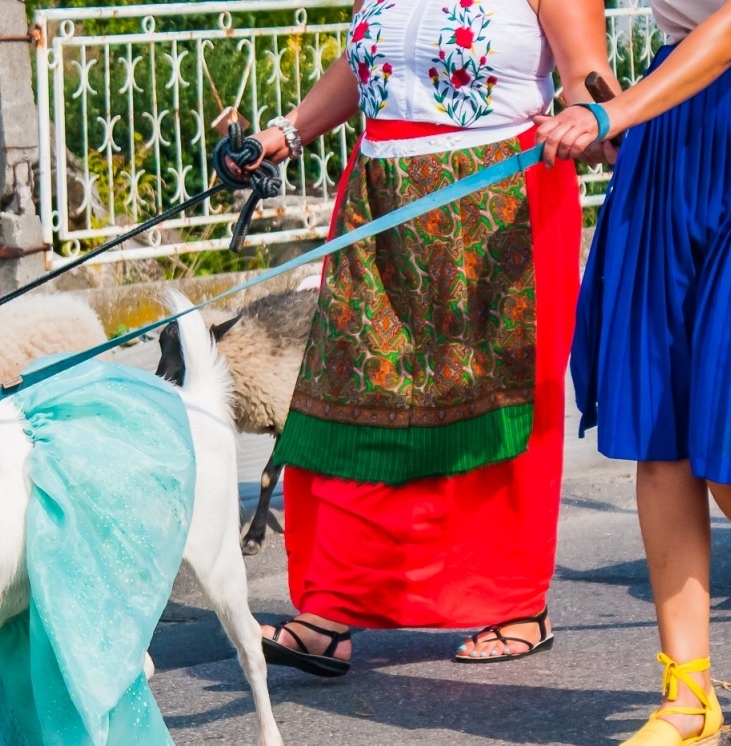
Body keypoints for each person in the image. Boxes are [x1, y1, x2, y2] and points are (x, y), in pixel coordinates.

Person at [238, 0, 611, 677]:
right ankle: (331, 604)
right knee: (351, 390)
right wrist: (283, 135)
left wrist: (601, 123)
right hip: (381, 198)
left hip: (502, 199)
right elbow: (362, 69)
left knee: (497, 401)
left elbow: (589, 81)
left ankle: (514, 600)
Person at [537, 0, 731, 746]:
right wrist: (591, 94)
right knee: (662, 424)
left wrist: (617, 111)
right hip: (673, 126)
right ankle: (687, 698)